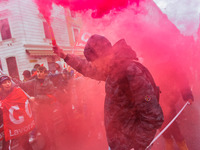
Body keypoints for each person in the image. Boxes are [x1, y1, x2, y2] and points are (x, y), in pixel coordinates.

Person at [54, 34, 164, 150]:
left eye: (94, 61)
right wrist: (65, 56)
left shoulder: (131, 72)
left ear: (104, 56)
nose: (93, 65)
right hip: (118, 144)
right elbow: (87, 69)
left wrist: (138, 145)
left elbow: (153, 116)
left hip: (131, 146)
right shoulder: (111, 70)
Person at [15, 66, 58, 150]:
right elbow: (22, 85)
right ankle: (47, 141)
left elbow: (52, 97)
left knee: (50, 127)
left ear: (45, 73)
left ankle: (53, 144)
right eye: (38, 72)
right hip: (38, 110)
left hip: (47, 109)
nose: (39, 73)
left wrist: (37, 98)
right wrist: (12, 80)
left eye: (41, 72)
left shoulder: (49, 83)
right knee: (40, 127)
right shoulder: (33, 82)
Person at [0, 75, 34, 150]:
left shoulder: (16, 91)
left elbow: (23, 85)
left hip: (19, 126)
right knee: (7, 146)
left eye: (9, 82)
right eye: (5, 82)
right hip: (8, 126)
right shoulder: (1, 95)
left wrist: (13, 79)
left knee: (25, 143)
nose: (8, 84)